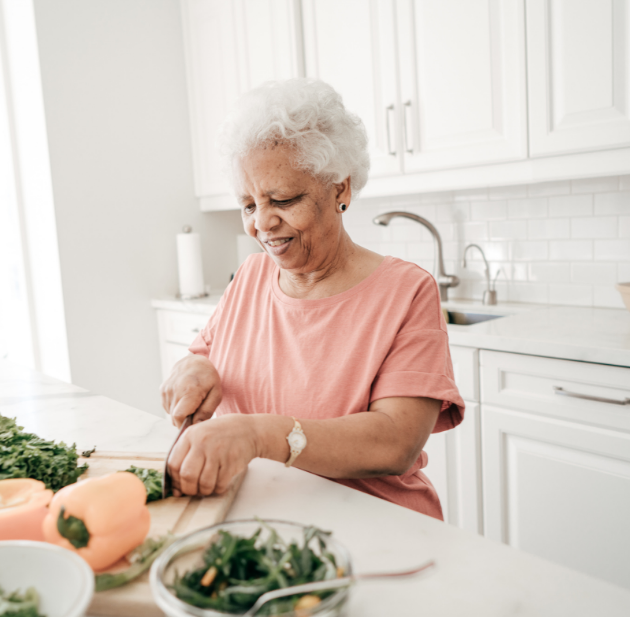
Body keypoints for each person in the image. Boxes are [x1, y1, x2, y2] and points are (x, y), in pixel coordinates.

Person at [161, 78, 464, 520]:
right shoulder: (250, 275)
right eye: (248, 205)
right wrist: (192, 370)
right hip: (261, 516)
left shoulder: (407, 291)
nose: (262, 224)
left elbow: (395, 442)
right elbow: (204, 356)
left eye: (283, 199)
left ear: (339, 189)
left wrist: (258, 435)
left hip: (374, 525)